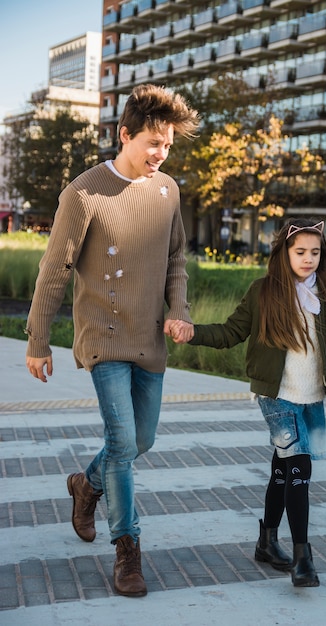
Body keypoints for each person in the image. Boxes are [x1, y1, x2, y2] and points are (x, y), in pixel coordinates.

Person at [25, 84, 199, 597]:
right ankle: (128, 550)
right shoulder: (83, 193)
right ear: (124, 134)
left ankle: (87, 485)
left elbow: (176, 262)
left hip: (149, 340)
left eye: (167, 145)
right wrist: (38, 340)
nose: (160, 154)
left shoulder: (168, 191)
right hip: (102, 337)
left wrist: (180, 311)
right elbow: (54, 270)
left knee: (141, 441)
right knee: (123, 443)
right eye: (152, 142)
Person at [168, 218, 326, 588]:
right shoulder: (264, 292)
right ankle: (302, 559)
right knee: (298, 469)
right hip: (275, 396)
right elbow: (231, 332)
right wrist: (192, 332)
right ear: (284, 254)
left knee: (282, 469)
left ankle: (266, 541)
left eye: (314, 252)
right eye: (300, 252)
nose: (308, 259)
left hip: (310, 400)